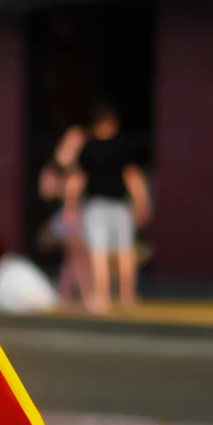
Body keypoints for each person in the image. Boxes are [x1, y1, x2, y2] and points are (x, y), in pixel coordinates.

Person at [66, 104, 151, 313]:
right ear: (113, 124)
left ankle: (102, 298)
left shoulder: (88, 149)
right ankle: (127, 296)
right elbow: (132, 177)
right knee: (124, 252)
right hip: (119, 206)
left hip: (96, 207)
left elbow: (77, 180)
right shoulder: (122, 147)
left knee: (99, 253)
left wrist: (70, 206)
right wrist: (142, 203)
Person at [38, 125, 89, 306]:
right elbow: (46, 192)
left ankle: (66, 293)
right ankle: (80, 294)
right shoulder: (57, 168)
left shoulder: (79, 166)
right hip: (67, 219)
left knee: (74, 257)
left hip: (77, 217)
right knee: (78, 255)